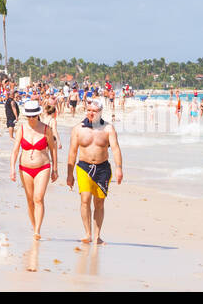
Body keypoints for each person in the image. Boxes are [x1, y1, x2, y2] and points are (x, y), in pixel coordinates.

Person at [66, 98, 122, 246]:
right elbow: (72, 152)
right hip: (83, 167)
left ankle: (97, 236)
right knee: (85, 199)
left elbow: (115, 149)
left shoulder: (108, 129)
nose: (91, 113)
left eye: (94, 111)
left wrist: (119, 168)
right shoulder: (78, 129)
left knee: (99, 203)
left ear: (100, 112)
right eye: (89, 110)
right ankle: (87, 234)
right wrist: (69, 174)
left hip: (103, 168)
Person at [9, 98, 57, 240]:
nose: (31, 118)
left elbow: (53, 149)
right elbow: (15, 151)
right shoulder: (22, 129)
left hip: (43, 166)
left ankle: (37, 230)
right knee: (30, 200)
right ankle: (34, 225)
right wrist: (12, 169)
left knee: (38, 198)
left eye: (33, 115)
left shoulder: (46, 129)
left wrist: (55, 169)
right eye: (28, 116)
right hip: (25, 168)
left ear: (38, 114)